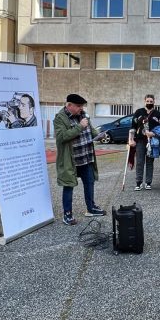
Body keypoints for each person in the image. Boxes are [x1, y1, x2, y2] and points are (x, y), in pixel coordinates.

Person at [54, 94, 106, 225]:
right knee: (68, 186)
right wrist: (80, 127)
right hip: (70, 161)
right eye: (78, 106)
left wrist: (99, 135)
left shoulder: (83, 115)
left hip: (86, 157)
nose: (80, 109)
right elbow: (62, 137)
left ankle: (91, 208)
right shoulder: (60, 118)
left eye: (82, 106)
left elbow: (92, 131)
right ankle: (67, 215)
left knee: (89, 183)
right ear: (69, 105)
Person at [129, 94, 160, 191]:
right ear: (144, 101)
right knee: (140, 161)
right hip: (140, 140)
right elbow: (133, 127)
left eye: (151, 101)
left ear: (154, 102)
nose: (149, 103)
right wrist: (130, 139)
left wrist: (153, 134)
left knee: (150, 162)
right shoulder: (138, 112)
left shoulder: (158, 114)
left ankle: (148, 182)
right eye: (147, 101)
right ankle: (138, 182)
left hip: (153, 141)